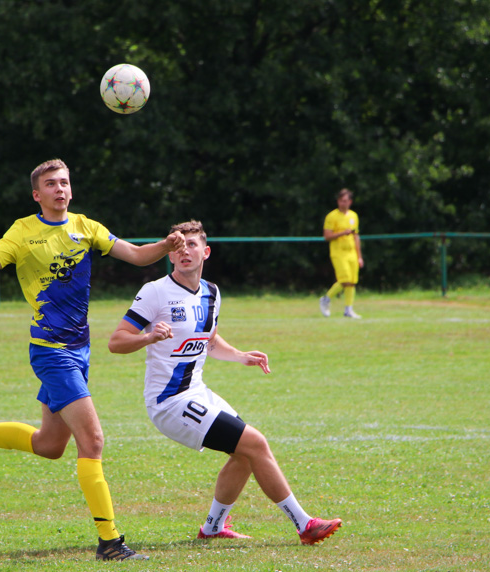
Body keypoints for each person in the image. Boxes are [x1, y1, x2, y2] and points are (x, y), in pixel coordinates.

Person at [0, 158, 185, 561]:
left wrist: (165, 246)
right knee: (94, 441)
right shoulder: (23, 231)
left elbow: (138, 256)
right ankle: (110, 542)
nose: (60, 189)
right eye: (51, 184)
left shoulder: (86, 227)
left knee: (49, 444)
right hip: (51, 354)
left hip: (79, 351)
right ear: (37, 194)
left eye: (65, 182)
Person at [107, 220, 342, 545]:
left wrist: (241, 355)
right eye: (179, 247)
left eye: (192, 245)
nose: (185, 251)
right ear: (171, 256)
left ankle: (213, 527)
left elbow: (209, 340)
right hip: (169, 402)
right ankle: (305, 525)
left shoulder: (212, 293)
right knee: (256, 443)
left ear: (206, 252)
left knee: (245, 454)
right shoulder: (155, 292)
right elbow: (116, 341)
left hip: (197, 392)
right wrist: (147, 337)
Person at [319, 188, 364, 319]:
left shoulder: (353, 216)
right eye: (340, 200)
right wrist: (342, 233)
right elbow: (327, 236)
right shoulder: (331, 216)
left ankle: (348, 310)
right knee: (344, 280)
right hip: (338, 252)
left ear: (350, 202)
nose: (342, 203)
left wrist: (359, 256)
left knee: (352, 281)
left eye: (345, 201)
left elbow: (356, 236)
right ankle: (326, 299)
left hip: (351, 253)